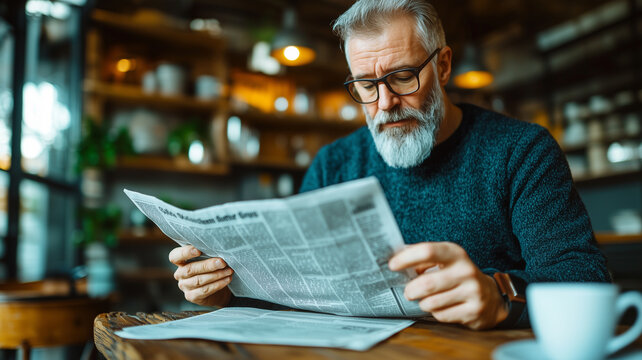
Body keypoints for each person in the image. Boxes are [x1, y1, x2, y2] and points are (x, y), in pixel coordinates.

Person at [169, 0, 610, 330]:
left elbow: (588, 283)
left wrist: (500, 295)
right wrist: (225, 293)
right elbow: (298, 296)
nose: (385, 104)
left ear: (443, 65)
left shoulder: (522, 151)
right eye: (365, 84)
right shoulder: (334, 164)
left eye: (401, 77)